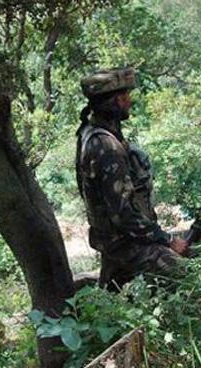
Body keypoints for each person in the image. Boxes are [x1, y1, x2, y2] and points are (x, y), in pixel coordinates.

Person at [75, 68, 188, 290]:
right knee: (191, 278)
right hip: (126, 244)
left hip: (115, 242)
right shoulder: (106, 146)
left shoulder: (90, 134)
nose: (129, 101)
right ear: (114, 102)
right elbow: (123, 215)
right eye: (125, 96)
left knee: (113, 299)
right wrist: (167, 240)